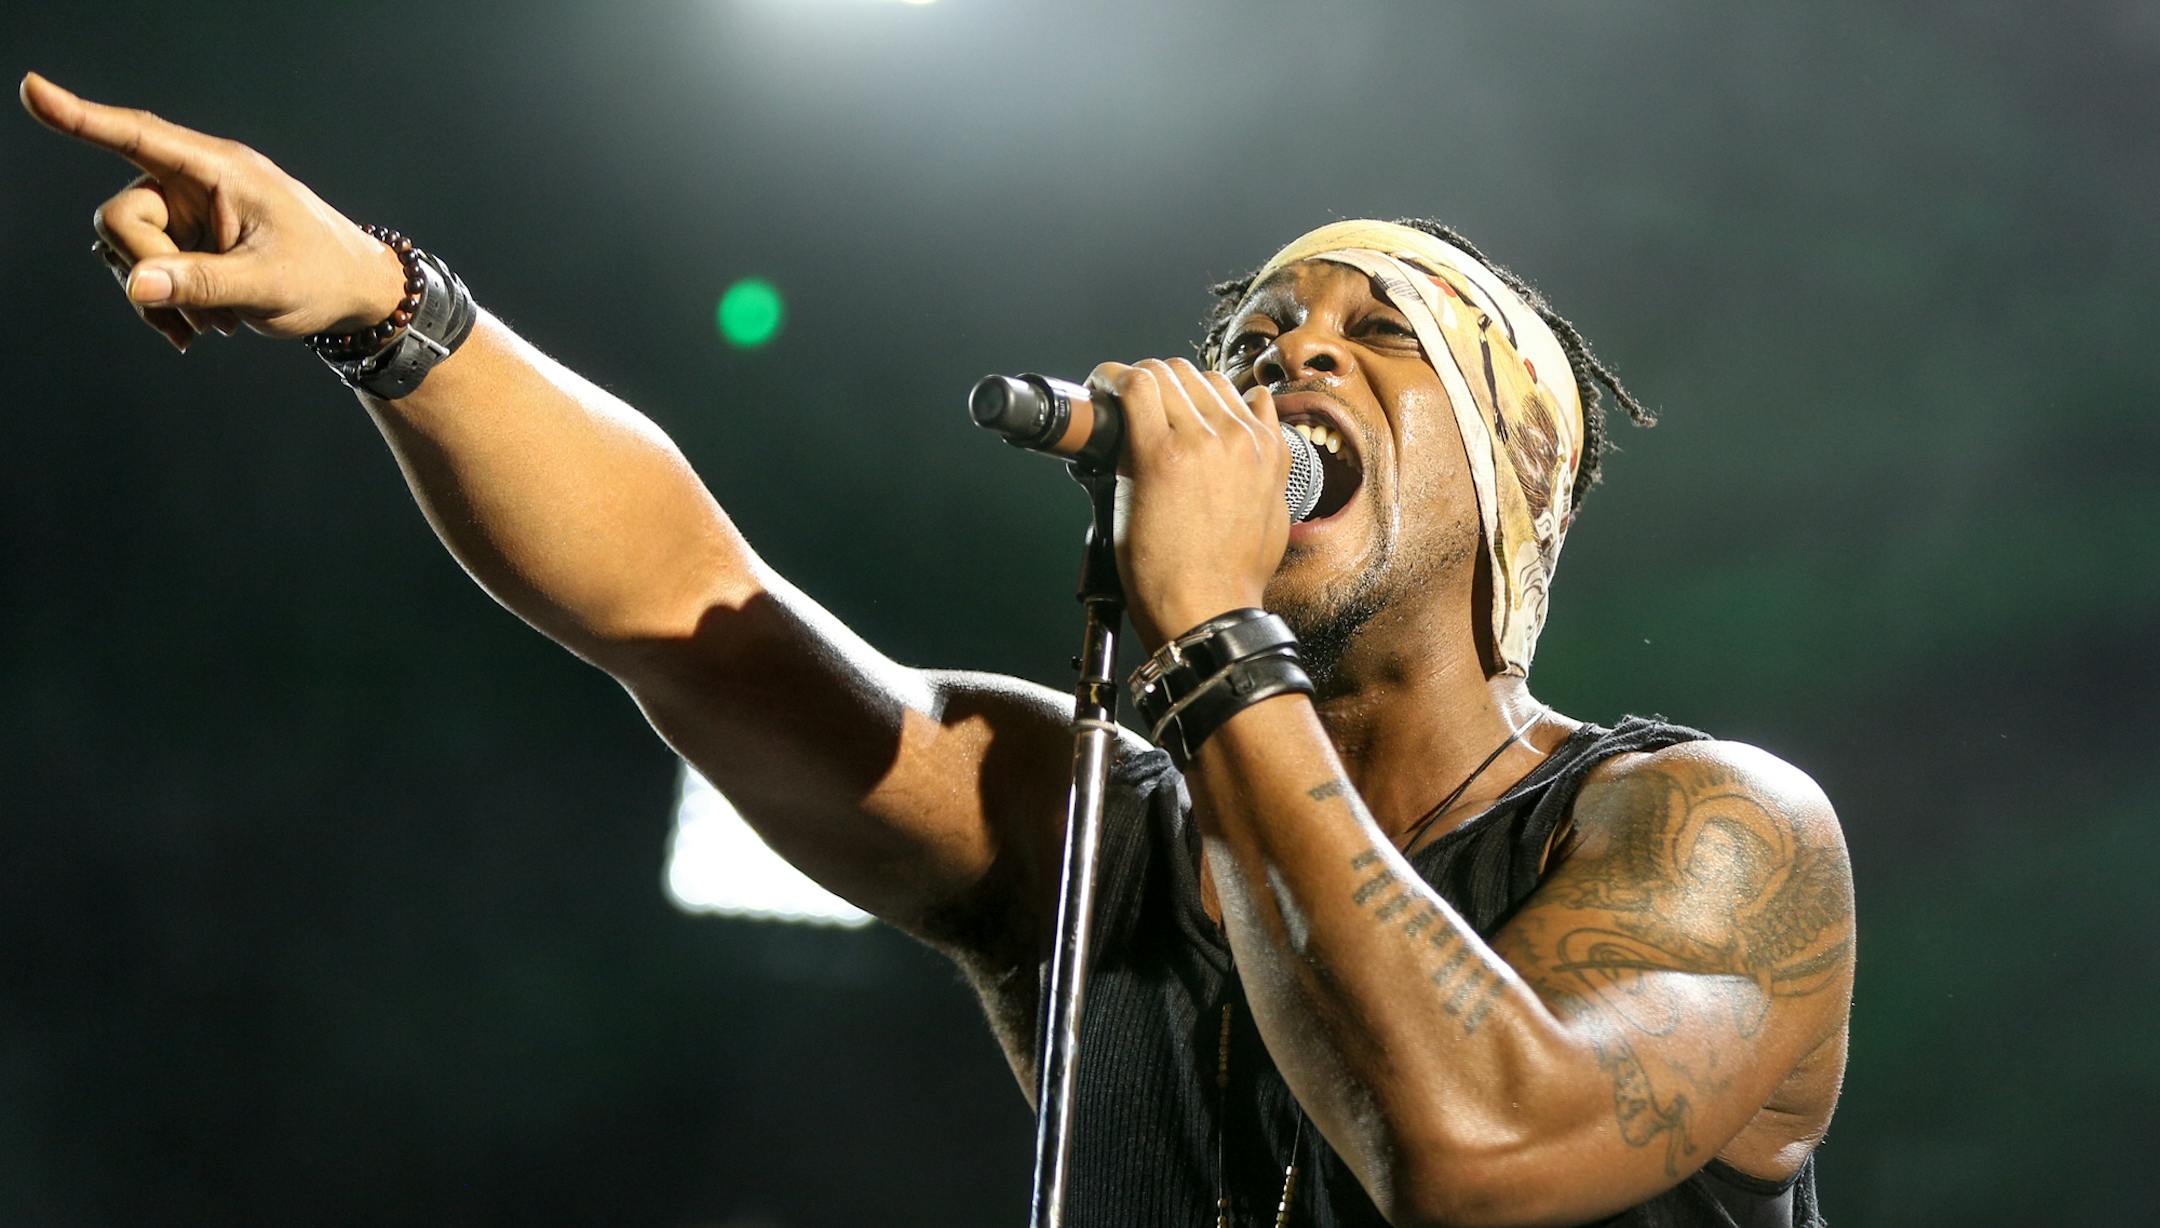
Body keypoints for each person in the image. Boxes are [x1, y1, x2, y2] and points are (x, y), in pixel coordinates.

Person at [22, 70, 1853, 1228]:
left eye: (1375, 337)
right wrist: (392, 313)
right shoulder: (1096, 839)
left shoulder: (1709, 835)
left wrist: (1213, 637)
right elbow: (687, 615)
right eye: (1262, 331)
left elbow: (1476, 1149)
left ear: (1515, 474)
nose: (1287, 360)